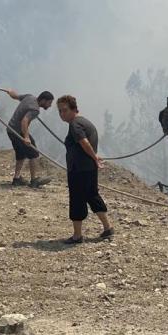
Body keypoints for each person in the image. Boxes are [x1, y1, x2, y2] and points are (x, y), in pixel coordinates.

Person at [57, 95, 114, 244]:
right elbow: (88, 144)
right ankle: (108, 227)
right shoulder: (85, 122)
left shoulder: (75, 124)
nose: (62, 114)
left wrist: (95, 158)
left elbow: (84, 142)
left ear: (74, 109)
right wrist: (94, 157)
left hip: (79, 169)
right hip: (89, 168)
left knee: (77, 199)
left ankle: (77, 236)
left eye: (65, 110)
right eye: (60, 111)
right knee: (92, 195)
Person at [4, 88, 54, 187]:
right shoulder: (35, 109)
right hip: (18, 131)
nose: (50, 105)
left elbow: (16, 96)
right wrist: (26, 137)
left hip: (11, 129)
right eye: (49, 103)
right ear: (43, 100)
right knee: (34, 153)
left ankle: (16, 179)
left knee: (21, 154)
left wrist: (10, 93)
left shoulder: (29, 97)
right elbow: (24, 121)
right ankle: (34, 180)